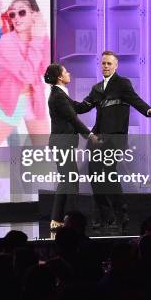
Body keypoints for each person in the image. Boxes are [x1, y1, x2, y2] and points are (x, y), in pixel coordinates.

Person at [77, 51, 151, 231]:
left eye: (109, 63)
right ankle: (105, 216)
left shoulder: (123, 84)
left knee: (108, 176)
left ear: (116, 66)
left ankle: (120, 213)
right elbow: (82, 107)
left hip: (114, 139)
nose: (106, 66)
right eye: (103, 63)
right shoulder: (96, 88)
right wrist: (62, 100)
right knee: (94, 176)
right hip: (97, 138)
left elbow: (136, 101)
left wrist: (150, 111)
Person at [0, 0, 50, 147]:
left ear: (34, 14)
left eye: (22, 12)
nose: (16, 17)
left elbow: (46, 70)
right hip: (13, 101)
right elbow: (25, 75)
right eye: (12, 14)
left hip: (35, 100)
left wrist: (41, 36)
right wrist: (37, 40)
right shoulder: (7, 41)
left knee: (44, 153)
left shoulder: (42, 37)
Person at [44, 63, 96, 230]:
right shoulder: (58, 96)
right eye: (66, 71)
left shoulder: (61, 94)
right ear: (60, 77)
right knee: (71, 181)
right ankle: (71, 221)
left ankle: (57, 219)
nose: (69, 73)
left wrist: (94, 98)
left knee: (67, 180)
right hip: (62, 143)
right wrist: (90, 135)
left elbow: (78, 108)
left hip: (63, 143)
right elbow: (74, 119)